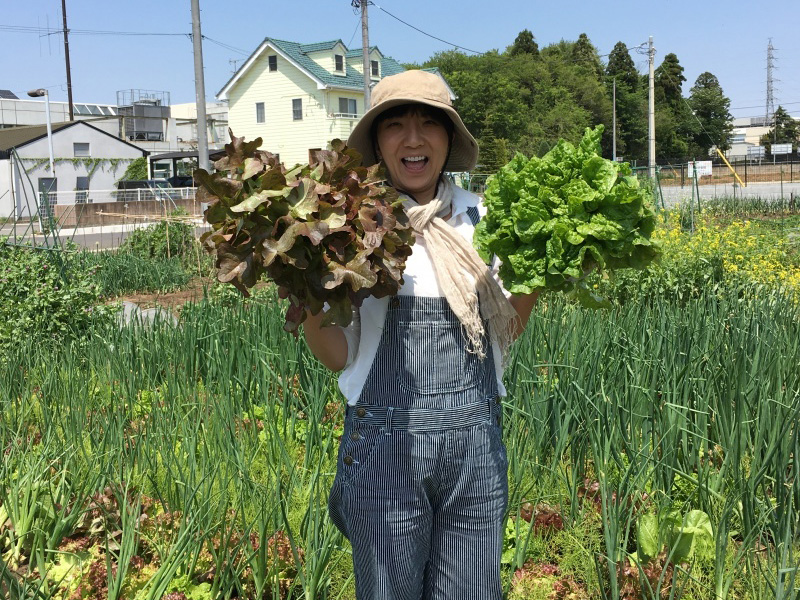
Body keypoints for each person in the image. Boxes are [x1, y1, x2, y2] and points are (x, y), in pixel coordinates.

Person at [303, 70, 538, 600]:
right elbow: (339, 354)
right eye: (396, 125)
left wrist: (543, 273)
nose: (413, 138)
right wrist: (307, 295)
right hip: (386, 449)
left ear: (450, 139)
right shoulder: (350, 226)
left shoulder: (487, 219)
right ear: (378, 142)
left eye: (430, 122)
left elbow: (504, 332)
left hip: (475, 449)